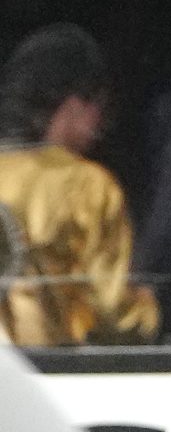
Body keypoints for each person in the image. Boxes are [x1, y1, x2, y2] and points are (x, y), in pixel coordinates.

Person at [0, 23, 158, 346]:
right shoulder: (88, 187)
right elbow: (113, 313)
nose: (101, 125)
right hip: (55, 380)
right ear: (71, 103)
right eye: (99, 107)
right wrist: (147, 310)